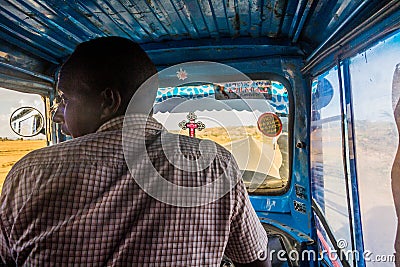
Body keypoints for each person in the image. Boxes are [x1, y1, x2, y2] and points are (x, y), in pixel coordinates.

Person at [0, 37, 271, 266]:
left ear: (109, 101)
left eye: (65, 100)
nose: (58, 114)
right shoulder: (216, 165)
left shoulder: (30, 173)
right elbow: (257, 261)